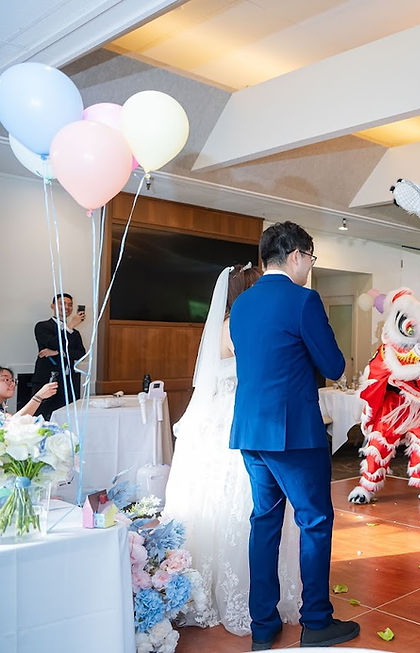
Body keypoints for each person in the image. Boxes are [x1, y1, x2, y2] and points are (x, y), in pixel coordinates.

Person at [229, 222, 358, 650]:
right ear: (297, 255)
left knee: (264, 523)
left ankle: (263, 626)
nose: (310, 268)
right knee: (315, 522)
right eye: (311, 259)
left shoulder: (243, 304)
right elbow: (335, 365)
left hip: (250, 431)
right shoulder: (304, 300)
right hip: (294, 435)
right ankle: (316, 622)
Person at [163, 263, 300, 638]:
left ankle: (227, 585)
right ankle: (241, 589)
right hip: (241, 420)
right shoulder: (240, 325)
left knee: (224, 502)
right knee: (245, 504)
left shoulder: (224, 325)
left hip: (220, 420)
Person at [31, 293, 85, 419]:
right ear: (53, 306)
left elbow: (81, 354)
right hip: (47, 379)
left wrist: (59, 352)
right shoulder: (42, 326)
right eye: (62, 303)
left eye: (70, 304)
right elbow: (52, 343)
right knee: (43, 416)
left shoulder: (74, 333)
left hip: (68, 380)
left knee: (67, 417)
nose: (67, 307)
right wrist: (69, 326)